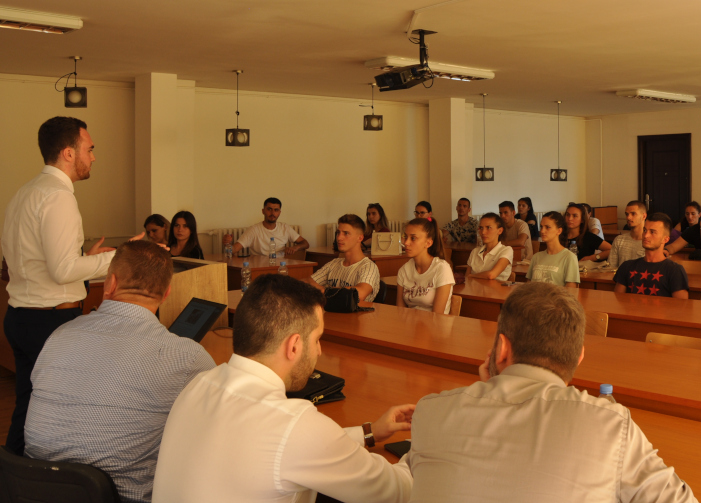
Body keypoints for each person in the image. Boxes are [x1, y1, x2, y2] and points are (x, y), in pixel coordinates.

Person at [403, 281, 697, 502]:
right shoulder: (610, 424)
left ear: (502, 349)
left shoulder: (431, 411)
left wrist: (485, 387)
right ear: (578, 357)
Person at [152, 275, 415, 502]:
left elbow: (295, 447)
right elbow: (398, 493)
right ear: (294, 346)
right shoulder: (294, 425)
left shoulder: (198, 384)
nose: (320, 350)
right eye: (317, 339)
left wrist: (369, 433)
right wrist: (420, 448)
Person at [25, 240, 215, 503]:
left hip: (31, 490)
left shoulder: (59, 335)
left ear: (110, 284)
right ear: (167, 293)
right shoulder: (186, 357)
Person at [2, 117, 145, 455]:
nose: (93, 156)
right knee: (61, 414)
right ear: (68, 152)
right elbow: (63, 270)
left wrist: (86, 258)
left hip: (20, 316)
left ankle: (13, 477)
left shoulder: (24, 193)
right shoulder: (59, 197)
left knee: (27, 405)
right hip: (49, 322)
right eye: (89, 149)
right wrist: (120, 257)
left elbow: (35, 263)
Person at [304, 214, 380, 302]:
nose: (339, 238)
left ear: (360, 238)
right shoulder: (334, 263)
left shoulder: (368, 267)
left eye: (346, 233)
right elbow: (307, 282)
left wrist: (324, 290)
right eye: (338, 233)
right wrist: (327, 290)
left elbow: (358, 294)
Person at [613, 213, 689, 298]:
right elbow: (618, 303)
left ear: (665, 239)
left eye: (652, 232)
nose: (646, 235)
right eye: (645, 230)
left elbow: (681, 308)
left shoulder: (675, 271)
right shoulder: (627, 266)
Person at [397, 218, 455, 314]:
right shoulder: (404, 270)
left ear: (428, 243)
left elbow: (437, 315)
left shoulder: (442, 268)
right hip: (409, 326)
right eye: (405, 237)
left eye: (413, 238)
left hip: (434, 326)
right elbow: (400, 311)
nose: (406, 243)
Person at [224, 197, 309, 256]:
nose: (272, 213)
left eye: (276, 210)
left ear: (279, 213)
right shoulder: (253, 230)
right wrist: (227, 243)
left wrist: (295, 248)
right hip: (260, 268)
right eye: (269, 209)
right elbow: (234, 249)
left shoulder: (285, 228)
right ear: (263, 211)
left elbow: (305, 243)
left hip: (281, 267)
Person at [526, 212, 580, 287]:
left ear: (559, 231)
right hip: (535, 297)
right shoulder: (536, 257)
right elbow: (528, 286)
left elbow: (571, 292)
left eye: (547, 227)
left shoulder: (569, 258)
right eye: (541, 227)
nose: (542, 231)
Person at [467, 213, 513, 281]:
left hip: (496, 291)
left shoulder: (506, 250)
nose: (483, 232)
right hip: (474, 290)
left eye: (488, 228)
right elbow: (467, 278)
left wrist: (471, 276)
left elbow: (491, 275)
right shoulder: (475, 251)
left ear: (500, 230)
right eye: (481, 228)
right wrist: (470, 276)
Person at [607, 201, 647, 268]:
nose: (628, 217)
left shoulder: (649, 241)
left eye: (633, 214)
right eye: (627, 214)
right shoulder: (619, 240)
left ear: (644, 216)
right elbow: (610, 268)